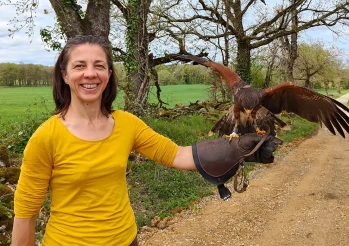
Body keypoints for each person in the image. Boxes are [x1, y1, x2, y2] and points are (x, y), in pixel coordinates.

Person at [12, 35, 280, 246]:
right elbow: (25, 212)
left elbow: (174, 154)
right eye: (79, 66)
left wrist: (236, 149)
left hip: (127, 240)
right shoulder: (46, 137)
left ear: (108, 75)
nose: (90, 73)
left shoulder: (127, 123)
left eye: (99, 66)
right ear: (65, 75)